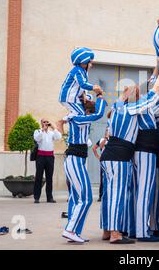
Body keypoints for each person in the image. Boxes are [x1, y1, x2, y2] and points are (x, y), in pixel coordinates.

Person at [99, 70, 159, 244]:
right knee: (118, 194)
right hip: (120, 157)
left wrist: (156, 71)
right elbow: (152, 97)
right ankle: (119, 234)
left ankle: (107, 230)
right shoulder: (131, 109)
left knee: (109, 194)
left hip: (109, 155)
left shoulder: (117, 108)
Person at [60, 95, 107, 244]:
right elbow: (98, 114)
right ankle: (69, 230)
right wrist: (100, 97)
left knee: (76, 198)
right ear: (87, 112)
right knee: (86, 198)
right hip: (74, 160)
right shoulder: (78, 118)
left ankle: (74, 232)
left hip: (76, 161)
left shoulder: (77, 118)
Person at [59, 47, 102, 116]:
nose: (91, 65)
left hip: (75, 97)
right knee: (80, 113)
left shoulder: (83, 72)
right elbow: (83, 84)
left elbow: (81, 87)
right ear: (84, 62)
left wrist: (84, 94)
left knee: (89, 98)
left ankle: (68, 119)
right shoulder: (77, 70)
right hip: (69, 97)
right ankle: (62, 121)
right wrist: (94, 87)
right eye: (90, 62)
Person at [33, 119, 62, 204]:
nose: (46, 123)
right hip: (40, 156)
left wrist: (53, 128)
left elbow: (58, 137)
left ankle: (49, 197)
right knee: (38, 177)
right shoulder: (38, 131)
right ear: (41, 123)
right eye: (44, 122)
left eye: (47, 122)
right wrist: (43, 130)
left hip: (50, 156)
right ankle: (37, 197)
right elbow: (37, 139)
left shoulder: (51, 133)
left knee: (49, 177)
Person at [92, 132, 108, 202]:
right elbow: (96, 148)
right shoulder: (102, 139)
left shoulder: (114, 139)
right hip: (104, 161)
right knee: (102, 178)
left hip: (112, 161)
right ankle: (100, 195)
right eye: (107, 130)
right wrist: (98, 156)